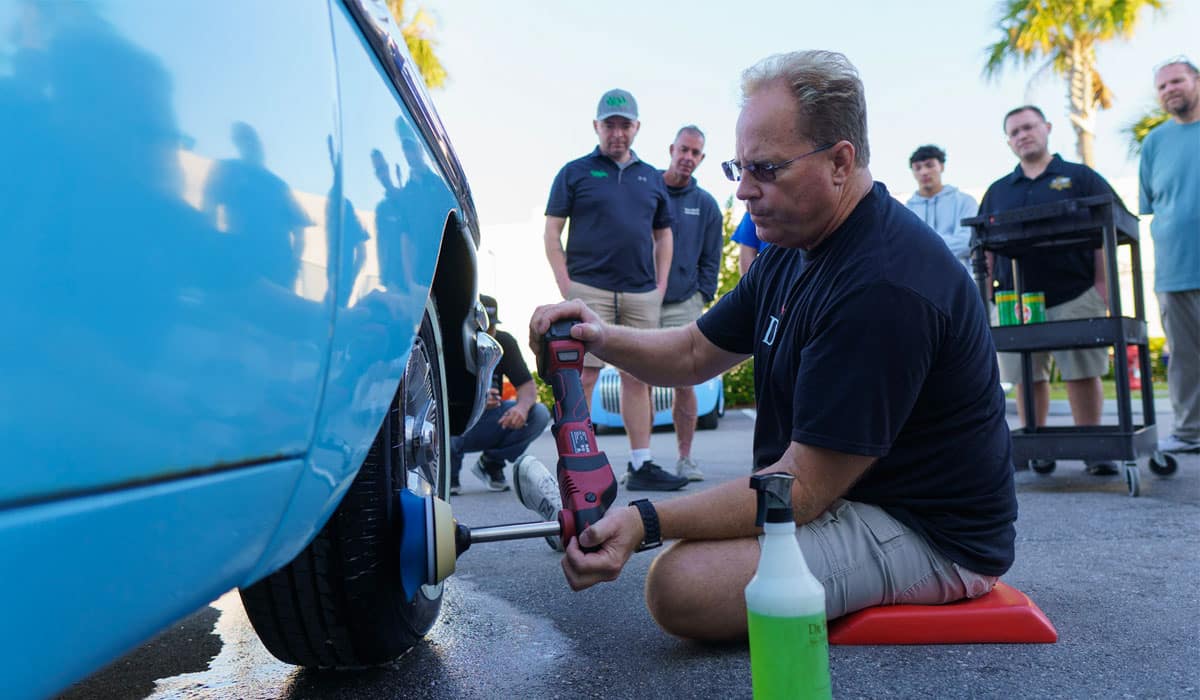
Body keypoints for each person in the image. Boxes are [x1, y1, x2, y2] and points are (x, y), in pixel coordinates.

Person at [520, 50, 1015, 641]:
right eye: (738, 169)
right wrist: (596, 334)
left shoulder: (882, 284)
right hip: (838, 493)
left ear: (840, 161)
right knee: (696, 568)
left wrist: (643, 519)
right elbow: (692, 353)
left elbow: (801, 487)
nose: (745, 194)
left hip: (928, 531)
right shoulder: (790, 246)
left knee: (681, 586)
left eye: (766, 170)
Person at [543, 88, 687, 491]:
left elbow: (664, 235)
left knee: (638, 377)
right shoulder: (574, 172)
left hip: (641, 293)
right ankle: (577, 465)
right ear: (597, 126)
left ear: (637, 127)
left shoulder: (651, 178)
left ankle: (641, 465)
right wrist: (566, 283)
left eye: (625, 125)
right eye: (610, 125)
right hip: (589, 288)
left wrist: (659, 287)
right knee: (583, 378)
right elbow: (552, 231)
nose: (617, 133)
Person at [979, 105, 1124, 475]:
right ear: (1008, 141)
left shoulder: (1081, 177)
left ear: (1047, 127)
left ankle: (1095, 449)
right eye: (1014, 132)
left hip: (1074, 292)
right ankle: (1036, 447)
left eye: (1028, 127)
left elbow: (1109, 230)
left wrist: (1103, 286)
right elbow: (985, 247)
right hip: (1016, 302)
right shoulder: (998, 190)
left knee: (1081, 372)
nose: (1022, 135)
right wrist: (988, 300)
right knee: (1028, 375)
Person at [1139, 57, 1200, 454]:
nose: (1169, 90)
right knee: (1184, 359)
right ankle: (1190, 432)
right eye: (1162, 86)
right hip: (1173, 269)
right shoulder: (1154, 143)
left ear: (1195, 81)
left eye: (1176, 81)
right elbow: (1151, 205)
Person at [659, 125, 723, 481]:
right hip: (643, 297)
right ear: (672, 148)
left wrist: (703, 294)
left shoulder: (707, 205)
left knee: (685, 382)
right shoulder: (648, 187)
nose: (688, 158)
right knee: (631, 381)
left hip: (685, 301)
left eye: (696, 153)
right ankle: (640, 462)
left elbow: (711, 257)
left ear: (701, 159)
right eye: (683, 149)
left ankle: (685, 459)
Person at [450, 295, 551, 495]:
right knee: (446, 421)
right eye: (482, 329)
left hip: (491, 418)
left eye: (491, 328)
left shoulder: (504, 341)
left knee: (538, 414)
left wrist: (521, 408)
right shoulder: (452, 343)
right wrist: (474, 400)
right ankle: (448, 473)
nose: (488, 334)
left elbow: (527, 387)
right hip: (456, 421)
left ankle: (491, 463)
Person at [904, 144, 978, 269]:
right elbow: (903, 249)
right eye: (917, 168)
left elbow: (968, 242)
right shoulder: (905, 210)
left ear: (941, 166)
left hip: (959, 281)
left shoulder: (965, 201)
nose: (924, 172)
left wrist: (921, 246)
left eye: (929, 165)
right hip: (919, 283)